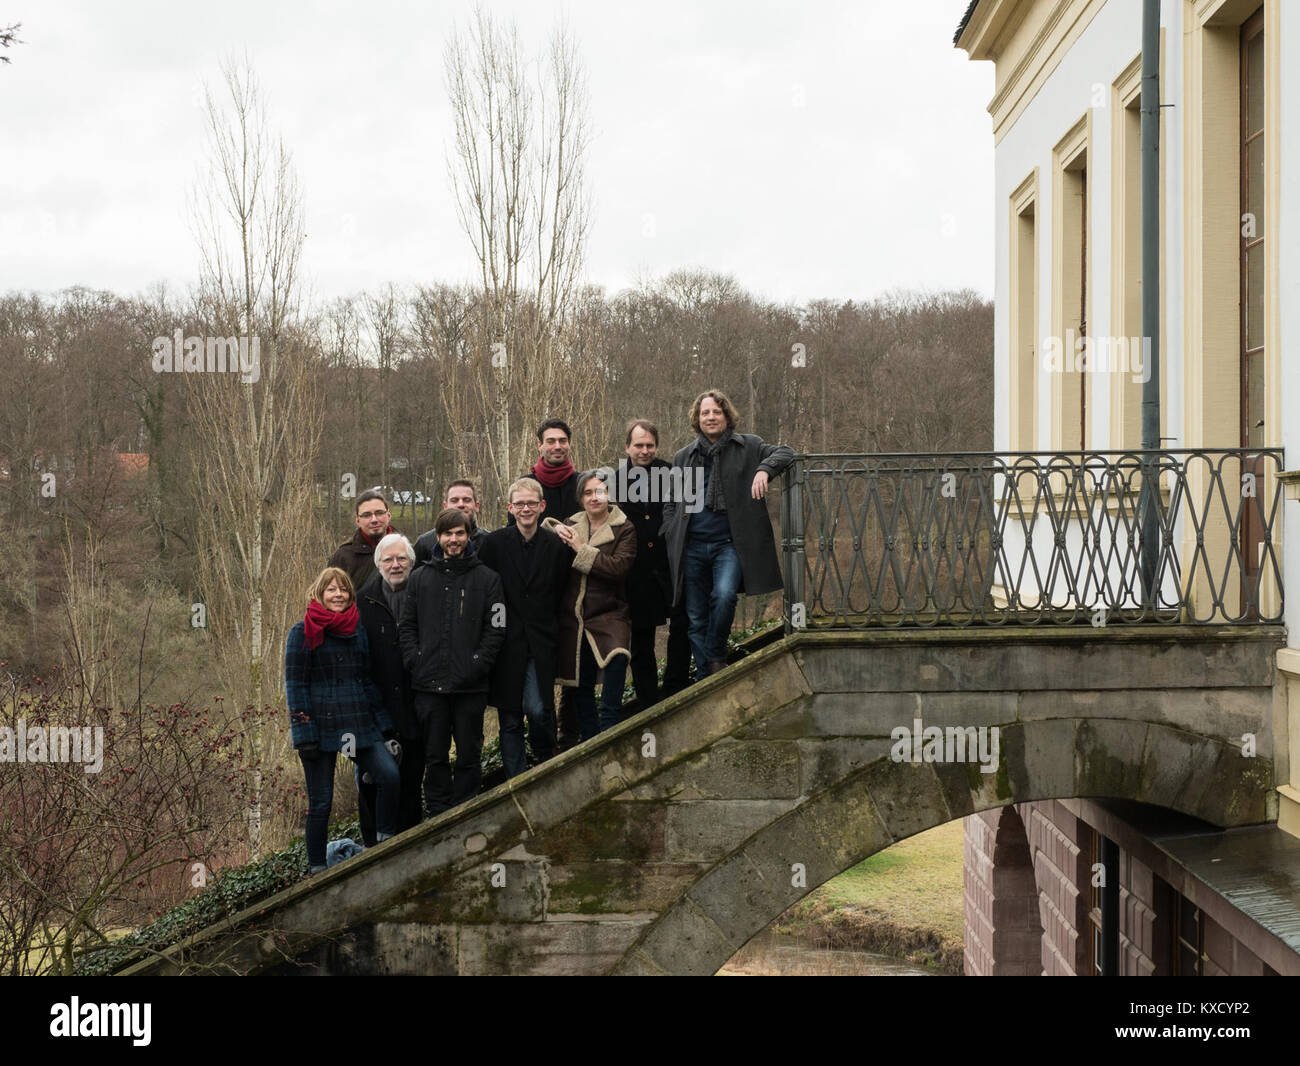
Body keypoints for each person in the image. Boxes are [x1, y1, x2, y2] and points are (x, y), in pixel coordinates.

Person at [663, 390, 794, 678]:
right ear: (697, 419)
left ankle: (716, 656)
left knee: (724, 597)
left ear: (726, 416)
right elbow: (671, 501)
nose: (710, 417)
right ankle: (708, 674)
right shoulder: (684, 456)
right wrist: (672, 531)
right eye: (705, 413)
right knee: (695, 617)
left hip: (729, 546)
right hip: (692, 546)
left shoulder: (748, 446)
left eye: (716, 412)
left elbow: (786, 452)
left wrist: (763, 470)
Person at [285, 567, 401, 875]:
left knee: (389, 776)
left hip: (359, 722)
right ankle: (317, 868)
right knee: (321, 803)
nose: (338, 595)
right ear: (319, 594)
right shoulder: (302, 631)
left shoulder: (357, 630)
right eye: (331, 590)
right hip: (319, 729)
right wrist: (303, 733)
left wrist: (384, 727)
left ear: (351, 595)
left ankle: (383, 840)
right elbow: (295, 686)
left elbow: (366, 680)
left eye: (344, 590)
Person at [398, 507, 506, 816]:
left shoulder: (488, 579)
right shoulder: (419, 579)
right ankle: (437, 814)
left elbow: (497, 627)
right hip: (428, 685)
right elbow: (406, 626)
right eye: (448, 533)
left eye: (460, 533)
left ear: (468, 536)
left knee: (469, 755)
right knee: (435, 756)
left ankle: (467, 812)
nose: (454, 539)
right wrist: (414, 660)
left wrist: (478, 664)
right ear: (438, 537)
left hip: (470, 687)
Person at [478, 478, 571, 778]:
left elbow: (561, 592)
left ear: (542, 506)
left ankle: (545, 761)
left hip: (541, 641)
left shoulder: (556, 546)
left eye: (532, 503)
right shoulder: (493, 544)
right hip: (505, 643)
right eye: (520, 504)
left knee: (537, 708)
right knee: (510, 717)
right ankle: (514, 780)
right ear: (510, 507)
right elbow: (487, 594)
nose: (526, 509)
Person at [544, 470, 636, 740]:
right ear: (581, 498)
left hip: (609, 611)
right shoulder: (571, 523)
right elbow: (544, 545)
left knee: (618, 659)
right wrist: (552, 526)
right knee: (580, 681)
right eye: (587, 493)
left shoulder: (624, 527)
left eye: (600, 492)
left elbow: (618, 568)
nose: (594, 498)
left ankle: (609, 728)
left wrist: (580, 549)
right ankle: (590, 737)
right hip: (573, 615)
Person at [509, 418, 582, 751]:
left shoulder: (580, 484)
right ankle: (541, 745)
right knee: (533, 692)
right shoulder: (526, 485)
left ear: (569, 444)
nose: (557, 446)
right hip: (536, 589)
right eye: (550, 440)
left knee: (571, 659)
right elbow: (515, 537)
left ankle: (570, 731)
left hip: (575, 580)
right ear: (539, 445)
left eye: (562, 440)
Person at [609, 419, 691, 707]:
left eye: (650, 445)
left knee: (682, 625)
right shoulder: (613, 482)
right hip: (635, 572)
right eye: (639, 445)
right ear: (627, 446)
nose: (645, 451)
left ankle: (676, 686)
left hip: (671, 567)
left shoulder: (673, 474)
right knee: (641, 638)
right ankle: (647, 700)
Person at [355, 533, 425, 841]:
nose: (395, 565)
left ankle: (411, 846)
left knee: (412, 780)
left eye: (401, 559)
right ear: (378, 564)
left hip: (418, 705)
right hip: (376, 711)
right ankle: (373, 849)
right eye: (388, 560)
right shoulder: (362, 601)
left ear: (411, 561)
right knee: (373, 783)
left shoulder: (425, 593)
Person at [329, 490, 396, 591]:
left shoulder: (407, 552)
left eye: (379, 513)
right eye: (366, 515)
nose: (374, 520)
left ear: (388, 516)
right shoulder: (342, 557)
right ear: (358, 521)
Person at [414, 480, 491, 564]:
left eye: (467, 500)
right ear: (445, 506)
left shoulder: (488, 542)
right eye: (454, 500)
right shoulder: (425, 543)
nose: (461, 504)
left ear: (476, 506)